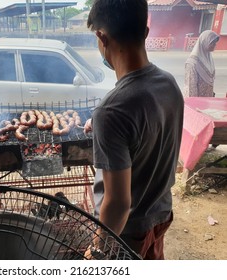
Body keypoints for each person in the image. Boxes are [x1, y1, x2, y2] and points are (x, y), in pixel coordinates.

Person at [84, 0, 184, 260]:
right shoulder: (168, 84)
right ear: (146, 32)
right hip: (161, 215)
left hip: (126, 234)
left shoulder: (112, 111)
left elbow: (117, 205)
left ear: (101, 37)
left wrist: (98, 251)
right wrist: (103, 123)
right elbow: (148, 125)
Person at [184, 30, 219, 97]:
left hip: (207, 99)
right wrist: (195, 105)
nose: (215, 44)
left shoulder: (209, 58)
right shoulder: (192, 63)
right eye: (212, 42)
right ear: (204, 42)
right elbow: (190, 88)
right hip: (197, 102)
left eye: (215, 42)